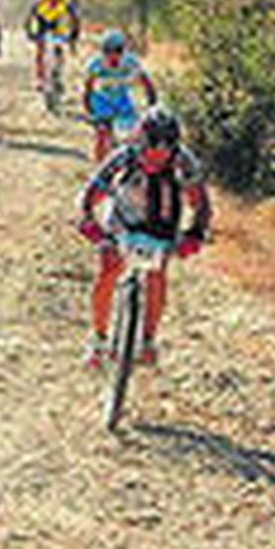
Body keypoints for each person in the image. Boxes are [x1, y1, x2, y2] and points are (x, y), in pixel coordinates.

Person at [74, 106, 211, 369]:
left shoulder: (184, 161)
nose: (156, 161)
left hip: (163, 220)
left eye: (163, 156)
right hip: (124, 218)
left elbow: (200, 202)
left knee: (157, 274)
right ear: (140, 144)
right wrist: (88, 220)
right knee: (109, 267)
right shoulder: (124, 156)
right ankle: (98, 339)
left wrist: (195, 234)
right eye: (151, 155)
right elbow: (93, 191)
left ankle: (148, 340)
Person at [81, 29, 157, 161]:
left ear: (123, 50)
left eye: (118, 51)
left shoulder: (130, 62)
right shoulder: (96, 64)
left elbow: (146, 82)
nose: (113, 55)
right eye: (108, 51)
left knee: (131, 135)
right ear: (102, 51)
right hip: (101, 101)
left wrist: (152, 102)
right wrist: (89, 108)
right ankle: (99, 167)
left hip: (122, 101)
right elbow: (88, 88)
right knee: (102, 133)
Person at [24, 0, 81, 90]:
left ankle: (58, 73)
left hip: (56, 24)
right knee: (40, 50)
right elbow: (29, 18)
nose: (54, 0)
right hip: (42, 23)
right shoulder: (40, 1)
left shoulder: (65, 0)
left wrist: (74, 33)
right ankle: (40, 78)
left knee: (59, 49)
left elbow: (75, 18)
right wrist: (30, 32)